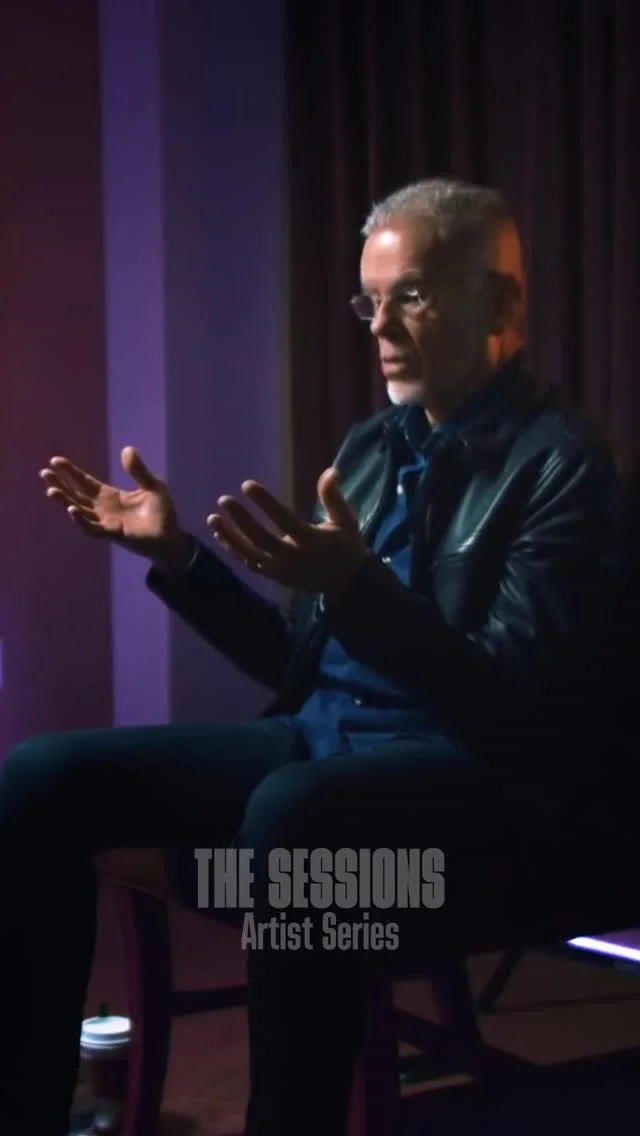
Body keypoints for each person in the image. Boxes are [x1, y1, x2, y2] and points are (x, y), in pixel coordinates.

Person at [0, 178, 626, 1135]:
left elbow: (510, 704)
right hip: (325, 741)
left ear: (500, 306)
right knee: (41, 776)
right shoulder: (372, 448)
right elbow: (293, 662)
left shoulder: (565, 465)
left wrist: (363, 592)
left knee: (295, 814)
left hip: (479, 777)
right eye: (370, 303)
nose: (383, 329)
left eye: (412, 296)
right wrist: (179, 559)